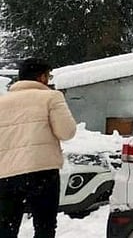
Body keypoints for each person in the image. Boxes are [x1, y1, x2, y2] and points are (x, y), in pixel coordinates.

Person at [0, 58, 77, 238]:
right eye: (48, 75)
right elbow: (67, 132)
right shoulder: (51, 97)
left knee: (6, 227)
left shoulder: (2, 102)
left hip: (7, 174)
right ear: (42, 77)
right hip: (42, 171)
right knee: (44, 226)